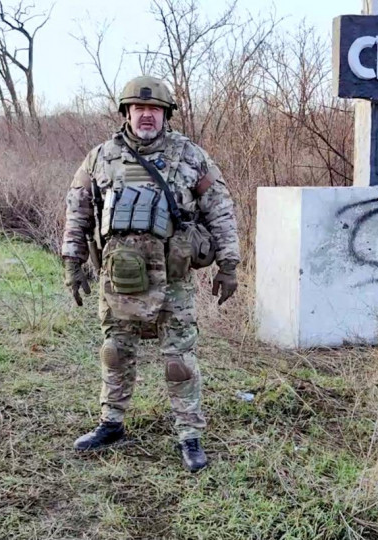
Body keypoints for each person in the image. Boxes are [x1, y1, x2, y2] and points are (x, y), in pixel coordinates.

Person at [61, 76, 240, 472]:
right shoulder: (100, 158)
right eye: (139, 108)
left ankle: (189, 435)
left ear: (166, 115)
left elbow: (221, 211)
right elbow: (78, 213)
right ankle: (111, 423)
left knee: (179, 361)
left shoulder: (190, 157)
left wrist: (229, 265)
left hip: (173, 281)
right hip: (118, 280)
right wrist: (73, 263)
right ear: (126, 112)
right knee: (115, 352)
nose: (146, 115)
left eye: (154, 109)